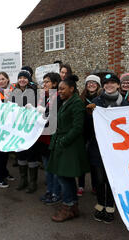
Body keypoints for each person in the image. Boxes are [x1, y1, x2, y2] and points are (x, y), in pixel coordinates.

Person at [87, 73, 129, 223]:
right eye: (106, 83)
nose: (109, 85)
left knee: (112, 178)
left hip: (117, 149)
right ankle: (100, 204)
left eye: (113, 83)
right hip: (97, 148)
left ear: (118, 85)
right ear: (103, 86)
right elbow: (89, 127)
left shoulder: (124, 104)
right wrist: (90, 114)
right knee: (98, 179)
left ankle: (110, 206)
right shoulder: (95, 102)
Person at [48, 75, 89, 222]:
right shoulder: (66, 102)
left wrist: (64, 141)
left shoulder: (76, 103)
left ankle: (68, 206)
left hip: (70, 145)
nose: (60, 91)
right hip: (63, 144)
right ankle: (72, 206)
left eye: (63, 88)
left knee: (64, 177)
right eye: (58, 89)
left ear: (72, 88)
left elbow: (78, 127)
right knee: (65, 177)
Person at [10, 69, 41, 193]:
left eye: (24, 78)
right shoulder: (14, 92)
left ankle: (33, 182)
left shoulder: (35, 91)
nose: (22, 80)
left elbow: (41, 107)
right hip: (18, 128)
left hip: (30, 128)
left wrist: (33, 108)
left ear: (28, 79)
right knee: (21, 153)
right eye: (20, 77)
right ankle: (23, 180)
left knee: (31, 154)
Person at [38, 72, 63, 204]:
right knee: (47, 168)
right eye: (43, 82)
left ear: (54, 83)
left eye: (47, 82)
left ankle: (56, 193)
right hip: (43, 138)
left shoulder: (58, 97)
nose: (44, 84)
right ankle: (49, 190)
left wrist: (43, 111)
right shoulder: (44, 97)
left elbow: (54, 115)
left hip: (52, 138)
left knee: (54, 169)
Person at [77, 75, 102, 196]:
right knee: (82, 161)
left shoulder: (101, 98)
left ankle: (95, 186)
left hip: (96, 134)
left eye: (94, 83)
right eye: (89, 83)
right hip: (83, 133)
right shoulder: (81, 98)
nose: (91, 85)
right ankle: (81, 185)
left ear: (98, 85)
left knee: (94, 162)